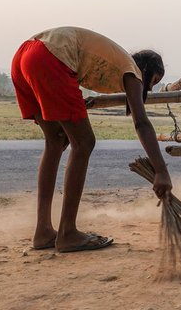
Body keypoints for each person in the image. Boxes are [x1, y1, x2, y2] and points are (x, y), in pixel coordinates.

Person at [10, 26, 172, 253]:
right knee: (84, 143)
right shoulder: (133, 70)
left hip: (25, 56)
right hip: (49, 55)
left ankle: (43, 231)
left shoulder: (114, 61)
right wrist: (161, 171)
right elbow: (141, 123)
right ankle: (68, 233)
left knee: (56, 141)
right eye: (154, 80)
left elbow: (71, 75)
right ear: (145, 69)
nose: (151, 88)